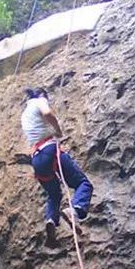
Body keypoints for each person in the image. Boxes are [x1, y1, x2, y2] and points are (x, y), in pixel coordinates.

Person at [20, 88, 93, 248]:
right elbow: (47, 113)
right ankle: (74, 211)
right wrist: (58, 130)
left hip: (37, 159)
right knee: (84, 184)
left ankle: (51, 220)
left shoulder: (24, 115)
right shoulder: (40, 100)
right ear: (42, 96)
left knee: (53, 195)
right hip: (50, 151)